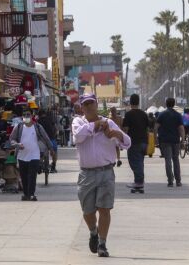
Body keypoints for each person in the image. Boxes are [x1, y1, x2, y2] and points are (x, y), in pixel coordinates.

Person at [72, 94, 131, 257]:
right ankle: (93, 231)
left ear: (97, 105)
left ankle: (102, 244)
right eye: (86, 104)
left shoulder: (109, 123)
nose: (89, 107)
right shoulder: (78, 122)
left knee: (104, 209)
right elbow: (78, 136)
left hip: (106, 172)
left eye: (92, 103)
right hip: (87, 174)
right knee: (87, 211)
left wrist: (116, 134)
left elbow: (127, 142)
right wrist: (96, 124)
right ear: (81, 108)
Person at [10, 108, 53, 201]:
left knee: (32, 175)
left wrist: (51, 149)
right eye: (24, 114)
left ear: (32, 115)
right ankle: (26, 194)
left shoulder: (37, 127)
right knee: (24, 176)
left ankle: (32, 194)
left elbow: (46, 138)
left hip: (35, 155)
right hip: (22, 155)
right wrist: (17, 145)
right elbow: (12, 139)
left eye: (28, 114)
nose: (26, 116)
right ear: (22, 116)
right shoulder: (18, 127)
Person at [155, 98, 184, 187]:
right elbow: (181, 128)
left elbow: (156, 127)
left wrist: (156, 138)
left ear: (166, 104)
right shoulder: (178, 115)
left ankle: (170, 181)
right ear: (174, 104)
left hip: (165, 140)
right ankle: (178, 181)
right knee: (176, 160)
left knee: (167, 160)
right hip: (175, 140)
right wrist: (183, 139)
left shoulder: (162, 114)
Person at [122, 94, 149, 191]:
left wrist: (123, 140)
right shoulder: (144, 114)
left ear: (130, 102)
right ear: (138, 102)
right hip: (144, 142)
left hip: (134, 142)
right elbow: (148, 128)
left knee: (134, 162)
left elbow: (125, 129)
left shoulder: (129, 114)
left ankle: (139, 182)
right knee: (140, 162)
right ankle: (138, 185)